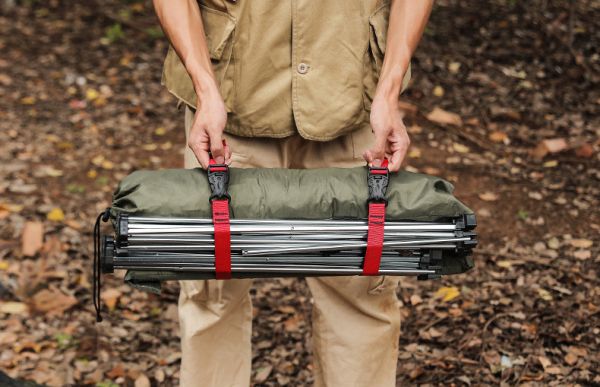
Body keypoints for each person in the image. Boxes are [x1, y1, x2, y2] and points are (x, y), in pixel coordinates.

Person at [153, 1, 433, 385]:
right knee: (212, 293)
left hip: (355, 100)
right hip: (227, 108)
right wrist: (205, 89)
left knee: (362, 291)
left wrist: (390, 89)